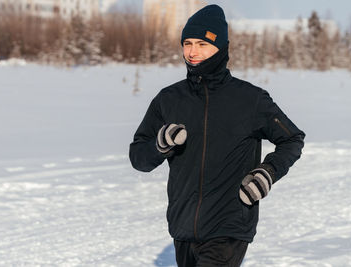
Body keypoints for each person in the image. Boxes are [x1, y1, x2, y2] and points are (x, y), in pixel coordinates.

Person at [129, 4, 305, 267]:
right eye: (187, 43)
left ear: (220, 47)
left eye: (202, 43)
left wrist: (267, 173)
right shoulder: (168, 99)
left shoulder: (250, 99)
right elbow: (138, 158)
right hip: (183, 227)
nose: (192, 51)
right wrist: (160, 145)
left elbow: (292, 138)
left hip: (229, 226)